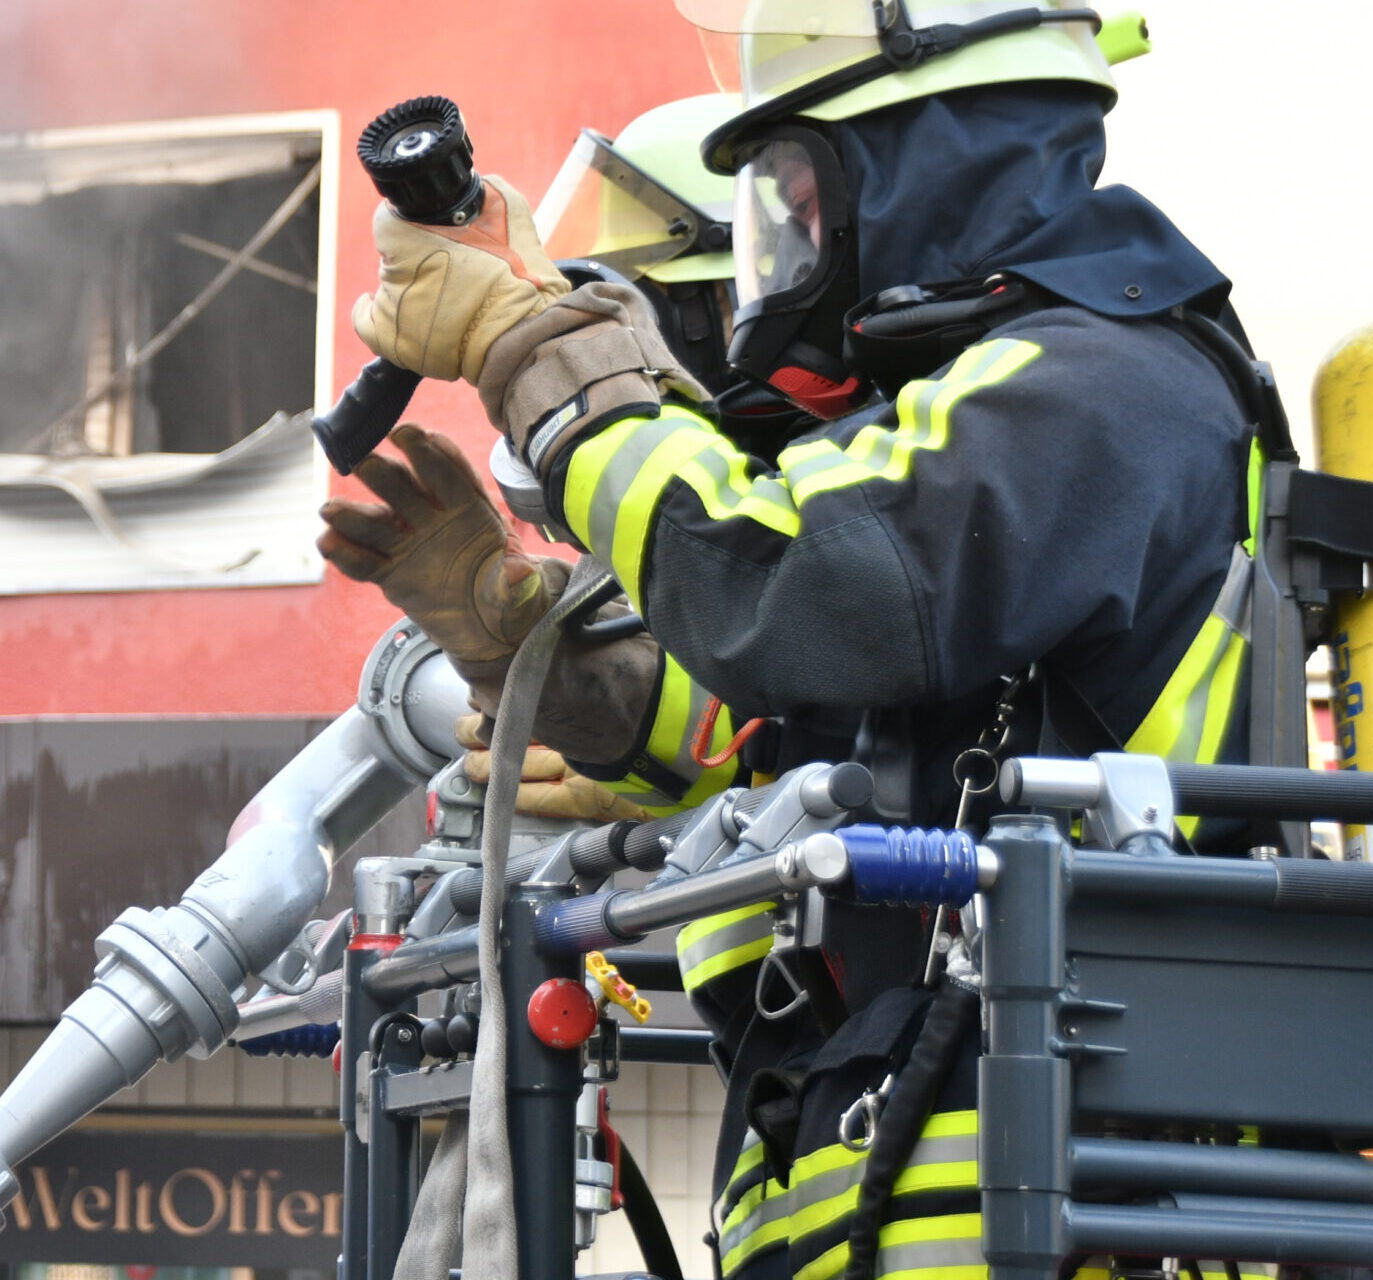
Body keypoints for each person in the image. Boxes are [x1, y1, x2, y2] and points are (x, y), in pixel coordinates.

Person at [324, 3, 1262, 1277]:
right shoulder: (960, 419)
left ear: (934, 157)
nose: (787, 245)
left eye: (802, 194)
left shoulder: (1100, 386)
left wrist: (538, 349)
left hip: (1053, 1211)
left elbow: (791, 589)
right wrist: (545, 654)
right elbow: (774, 740)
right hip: (876, 1195)